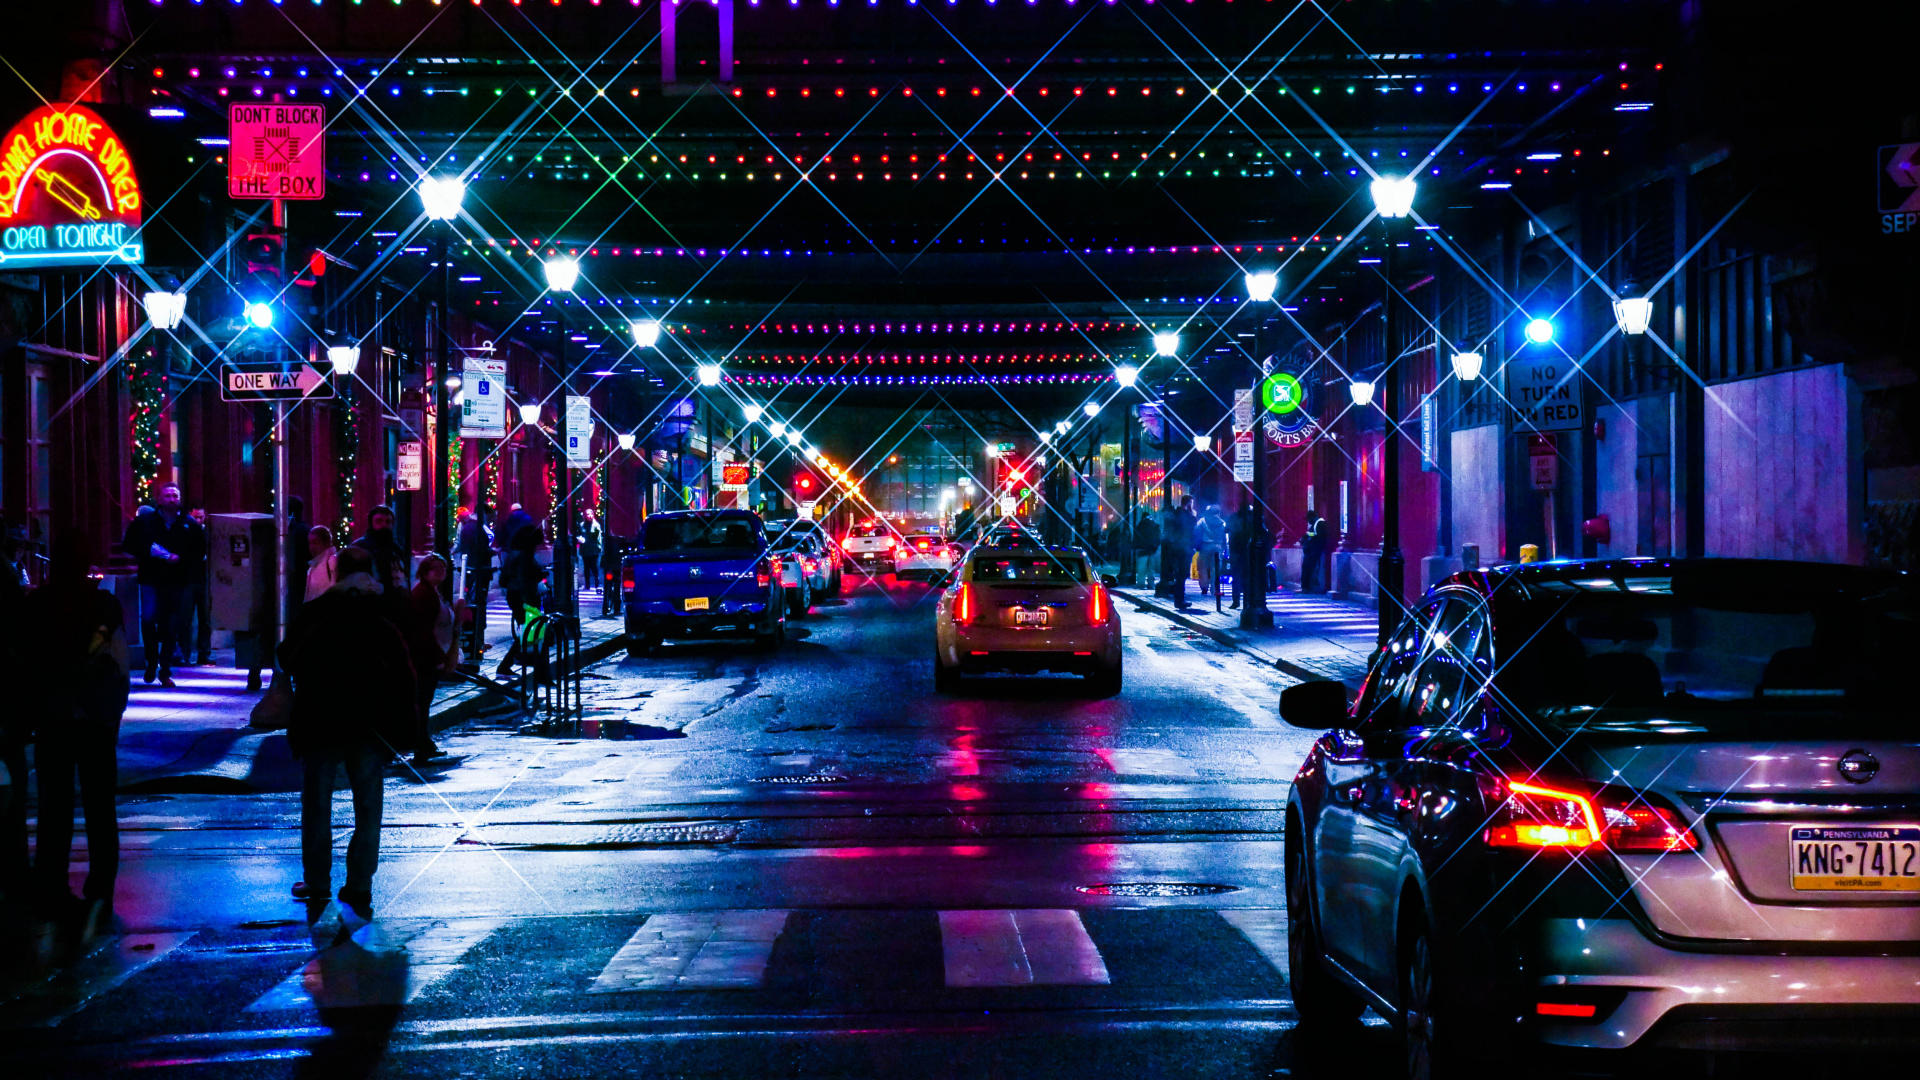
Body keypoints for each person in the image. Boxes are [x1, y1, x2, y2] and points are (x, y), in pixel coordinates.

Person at [277, 546, 417, 920]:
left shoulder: (318, 612)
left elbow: (289, 657)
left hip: (321, 719)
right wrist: (408, 726)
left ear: (336, 573)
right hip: (370, 724)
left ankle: (317, 880)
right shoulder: (383, 612)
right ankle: (359, 884)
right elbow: (405, 670)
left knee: (317, 804)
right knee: (369, 807)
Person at [24, 535, 129, 943]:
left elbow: (26, 660)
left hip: (53, 716)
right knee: (100, 806)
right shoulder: (103, 604)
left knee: (55, 808)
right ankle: (100, 888)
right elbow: (117, 664)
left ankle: (52, 885)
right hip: (95, 720)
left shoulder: (35, 606)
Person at [120, 483, 204, 688]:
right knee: (148, 620)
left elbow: (199, 551)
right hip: (151, 578)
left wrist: (180, 559)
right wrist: (150, 552)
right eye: (167, 495)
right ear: (159, 499)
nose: (172, 498)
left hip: (176, 580)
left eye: (175, 495)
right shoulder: (145, 522)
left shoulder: (189, 524)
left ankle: (165, 670)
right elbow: (129, 544)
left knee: (170, 625)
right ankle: (151, 662)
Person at [406, 555, 454, 768]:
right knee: (422, 701)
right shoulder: (423, 595)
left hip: (432, 654)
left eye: (443, 568)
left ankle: (423, 742)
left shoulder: (432, 592)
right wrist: (438, 655)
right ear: (425, 571)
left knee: (425, 701)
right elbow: (422, 629)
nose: (441, 572)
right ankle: (420, 744)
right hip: (425, 657)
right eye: (436, 568)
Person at [456, 506, 493, 659]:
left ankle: (476, 640)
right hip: (480, 570)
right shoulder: (478, 529)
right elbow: (483, 548)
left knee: (471, 601)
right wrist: (493, 552)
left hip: (470, 568)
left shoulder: (466, 527)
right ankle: (478, 640)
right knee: (479, 603)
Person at [350, 505, 410, 594]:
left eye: (388, 522)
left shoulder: (396, 549)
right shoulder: (360, 548)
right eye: (379, 521)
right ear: (371, 524)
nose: (384, 525)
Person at [1158, 498, 1193, 609]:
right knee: (1181, 576)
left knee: (1181, 576)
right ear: (1189, 503)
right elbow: (1189, 527)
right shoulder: (1183, 515)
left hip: (1179, 548)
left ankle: (1180, 600)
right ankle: (1179, 600)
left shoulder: (1177, 514)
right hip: (1182, 548)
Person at [1195, 505, 1226, 598]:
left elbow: (1196, 530)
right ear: (1218, 513)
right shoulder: (1222, 522)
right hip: (1218, 546)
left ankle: (1204, 587)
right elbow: (1225, 536)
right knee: (1215, 568)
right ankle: (1214, 588)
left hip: (1205, 545)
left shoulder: (1203, 520)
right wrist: (1224, 547)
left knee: (1203, 567)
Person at [304, 526, 339, 602]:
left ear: (327, 543)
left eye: (316, 543)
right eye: (310, 543)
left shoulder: (332, 561)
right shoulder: (312, 568)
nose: (312, 547)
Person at [1131, 509, 1160, 590]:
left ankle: (1141, 583)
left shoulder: (1140, 525)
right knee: (1151, 568)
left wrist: (1136, 546)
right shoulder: (1155, 525)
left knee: (1142, 567)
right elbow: (1158, 537)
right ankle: (1151, 583)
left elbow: (1136, 537)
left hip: (1142, 549)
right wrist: (1155, 545)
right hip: (1152, 549)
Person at [1301, 512, 1329, 594]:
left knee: (1309, 569)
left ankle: (1308, 587)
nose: (1308, 522)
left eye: (1308, 519)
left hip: (1314, 552)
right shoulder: (1315, 525)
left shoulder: (1320, 524)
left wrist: (1307, 536)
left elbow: (1318, 535)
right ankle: (1306, 586)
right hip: (1311, 551)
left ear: (1313, 517)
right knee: (1307, 568)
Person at [578, 508, 604, 594]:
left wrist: (599, 548)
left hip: (593, 550)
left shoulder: (596, 525)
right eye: (586, 514)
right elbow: (579, 534)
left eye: (590, 514)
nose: (588, 516)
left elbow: (598, 537)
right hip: (585, 549)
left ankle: (597, 582)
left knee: (594, 567)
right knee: (586, 567)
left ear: (592, 515)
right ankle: (587, 584)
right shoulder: (582, 525)